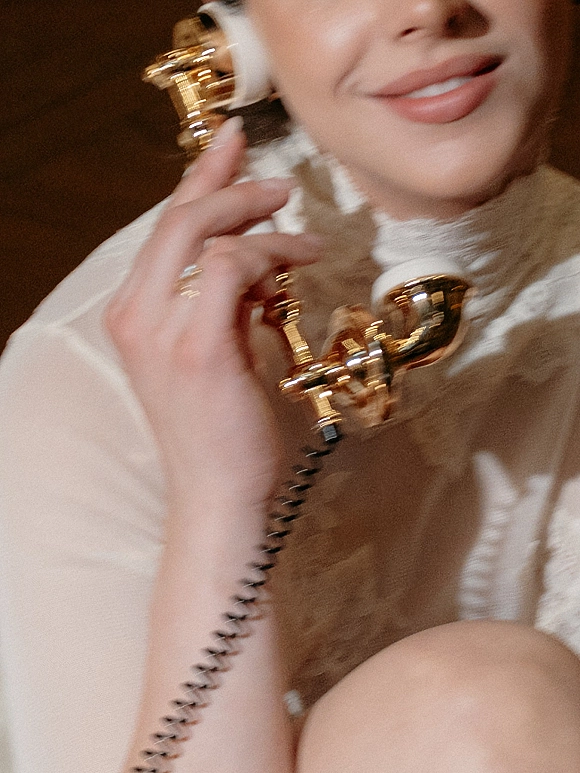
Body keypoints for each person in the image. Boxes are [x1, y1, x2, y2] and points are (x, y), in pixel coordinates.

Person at [1, 0, 580, 771]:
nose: (427, 11)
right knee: (480, 700)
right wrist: (219, 499)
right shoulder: (84, 377)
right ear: (238, 32)